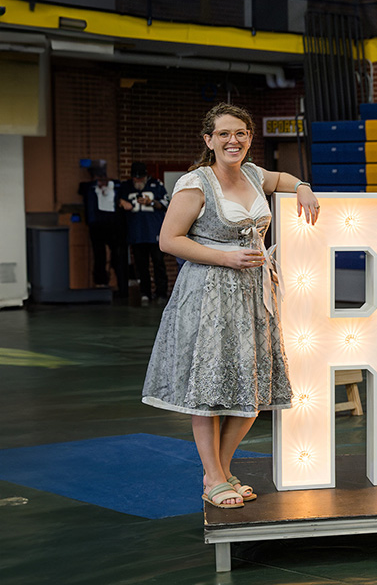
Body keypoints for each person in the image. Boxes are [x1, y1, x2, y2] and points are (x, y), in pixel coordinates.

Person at [142, 103, 320, 509]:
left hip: (254, 295)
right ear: (209, 140)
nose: (233, 140)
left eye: (240, 133)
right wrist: (225, 257)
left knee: (251, 390)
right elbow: (169, 240)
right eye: (223, 134)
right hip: (209, 294)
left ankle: (217, 472)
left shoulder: (256, 174)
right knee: (209, 390)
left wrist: (304, 187)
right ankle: (214, 476)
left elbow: (285, 179)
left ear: (249, 138)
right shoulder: (196, 182)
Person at [118, 162, 171, 305]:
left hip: (154, 232)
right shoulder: (125, 186)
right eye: (135, 178)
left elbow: (166, 203)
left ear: (146, 176)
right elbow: (115, 199)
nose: (138, 181)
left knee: (158, 263)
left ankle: (161, 293)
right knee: (141, 266)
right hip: (136, 233)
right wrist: (121, 202)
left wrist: (151, 202)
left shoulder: (156, 185)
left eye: (140, 178)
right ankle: (145, 293)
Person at [79, 161, 129, 299]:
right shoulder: (90, 188)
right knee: (99, 255)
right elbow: (83, 188)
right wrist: (97, 185)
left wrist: (109, 185)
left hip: (115, 226)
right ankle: (100, 282)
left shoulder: (116, 187)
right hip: (97, 225)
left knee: (118, 256)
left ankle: (122, 287)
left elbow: (122, 189)